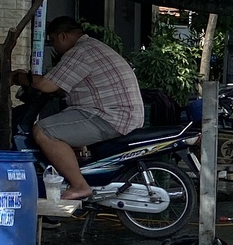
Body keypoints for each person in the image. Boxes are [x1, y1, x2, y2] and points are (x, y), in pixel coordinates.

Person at [11, 16, 144, 200]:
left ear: (63, 36)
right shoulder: (92, 47)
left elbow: (47, 85)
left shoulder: (80, 52)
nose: (55, 47)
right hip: (117, 113)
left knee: (43, 131)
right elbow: (59, 88)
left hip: (108, 115)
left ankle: (79, 185)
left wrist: (19, 78)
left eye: (54, 40)